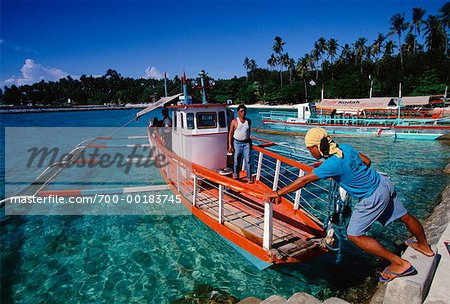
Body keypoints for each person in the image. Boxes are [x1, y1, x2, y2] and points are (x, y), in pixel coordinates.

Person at [263, 127, 434, 282]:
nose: (310, 152)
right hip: (383, 183)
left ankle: (398, 263)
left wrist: (277, 193)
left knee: (354, 234)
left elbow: (304, 180)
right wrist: (346, 173)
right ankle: (425, 247)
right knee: (405, 216)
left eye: (309, 149)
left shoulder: (332, 164)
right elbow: (366, 161)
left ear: (316, 147)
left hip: (373, 196)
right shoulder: (344, 147)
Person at [228, 104, 253, 183]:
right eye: (241, 111)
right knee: (236, 161)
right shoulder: (234, 121)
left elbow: (248, 132)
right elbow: (230, 133)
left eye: (244, 111)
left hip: (246, 143)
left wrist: (250, 141)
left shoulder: (248, 121)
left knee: (248, 160)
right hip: (237, 143)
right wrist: (230, 145)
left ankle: (249, 178)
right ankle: (236, 177)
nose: (243, 113)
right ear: (238, 112)